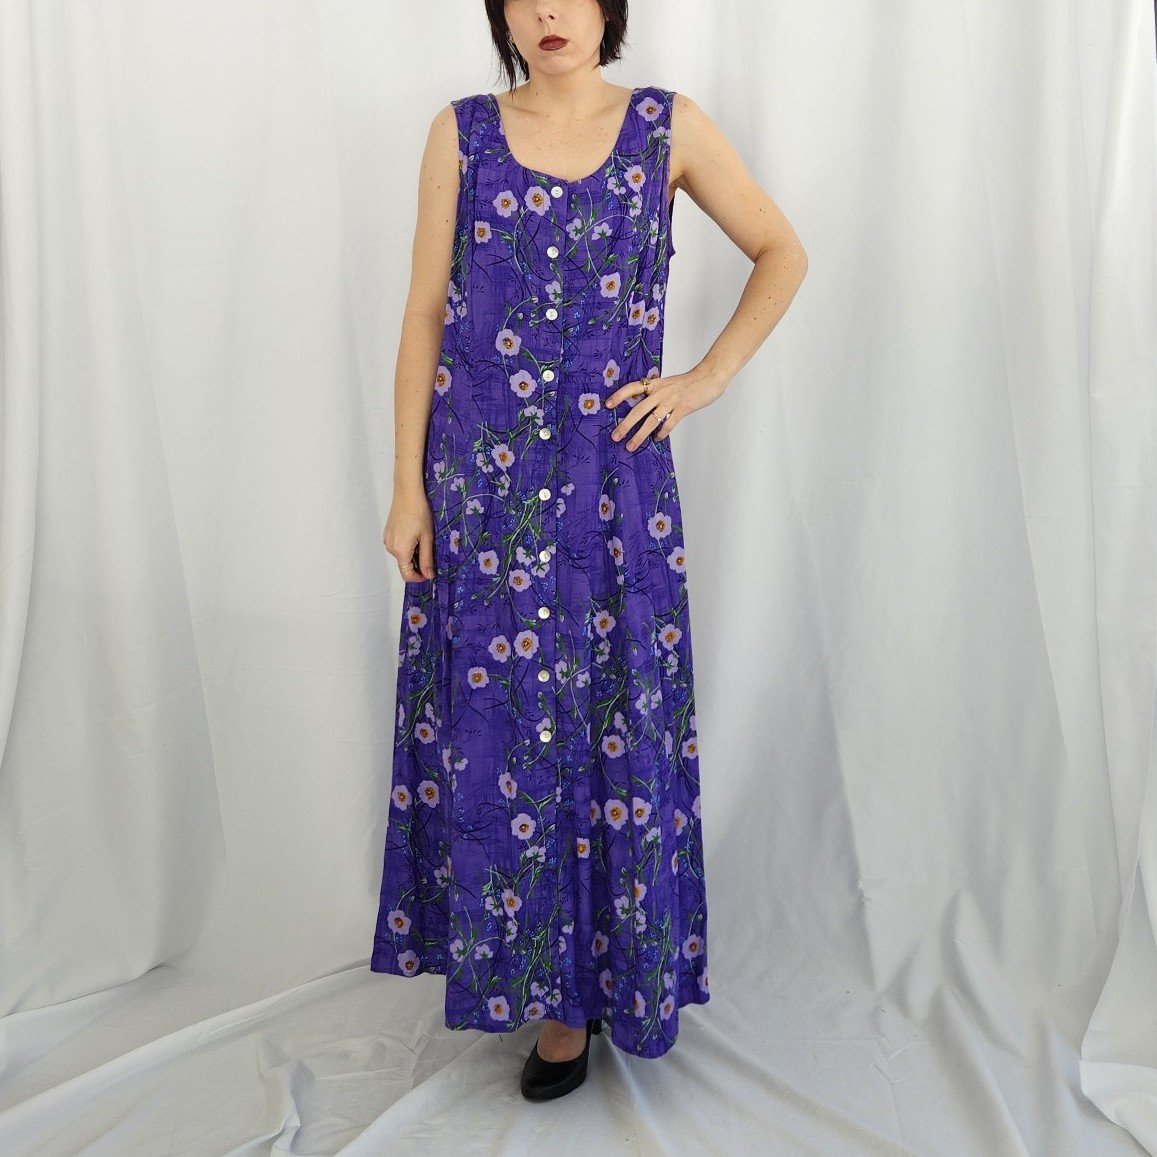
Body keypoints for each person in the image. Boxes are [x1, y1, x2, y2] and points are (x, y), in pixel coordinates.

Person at [371, 0, 808, 1102]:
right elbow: (424, 314)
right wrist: (408, 486)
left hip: (615, 488)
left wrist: (700, 379)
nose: (546, 11)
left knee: (612, 722)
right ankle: (532, 980)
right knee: (502, 738)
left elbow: (780, 251)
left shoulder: (668, 126)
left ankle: (596, 988)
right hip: (482, 490)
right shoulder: (461, 132)